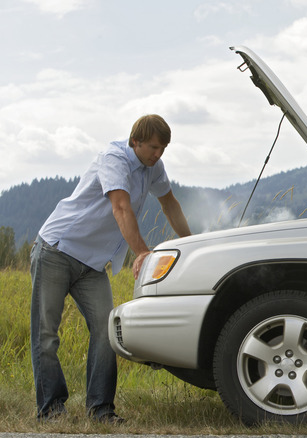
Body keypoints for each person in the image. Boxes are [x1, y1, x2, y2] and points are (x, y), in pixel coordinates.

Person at [29, 114, 192, 423]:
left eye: (163, 149)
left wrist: (193, 243)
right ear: (136, 142)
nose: (158, 154)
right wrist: (141, 252)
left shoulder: (153, 167)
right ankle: (51, 410)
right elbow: (120, 206)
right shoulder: (113, 158)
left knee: (107, 332)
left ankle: (101, 410)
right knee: (46, 335)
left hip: (92, 264)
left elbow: (169, 204)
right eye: (154, 147)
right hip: (57, 250)